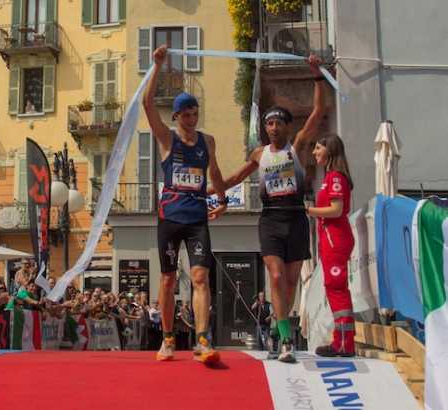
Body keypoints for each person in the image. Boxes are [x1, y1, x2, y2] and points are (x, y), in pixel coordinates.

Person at [209, 55, 326, 363]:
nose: (273, 128)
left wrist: (317, 75)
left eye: (278, 123)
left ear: (287, 126)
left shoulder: (297, 147)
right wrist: (206, 191)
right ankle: (286, 339)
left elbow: (317, 113)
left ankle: (277, 327)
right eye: (269, 123)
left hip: (296, 217)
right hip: (271, 218)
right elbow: (234, 179)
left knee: (291, 282)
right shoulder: (259, 154)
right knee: (275, 277)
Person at [143, 45, 227, 363]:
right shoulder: (167, 138)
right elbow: (147, 103)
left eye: (195, 114)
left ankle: (202, 340)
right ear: (176, 116)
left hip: (197, 219)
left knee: (201, 277)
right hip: (170, 217)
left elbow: (215, 173)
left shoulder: (208, 141)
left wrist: (222, 199)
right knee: (167, 279)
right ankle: (167, 339)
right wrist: (157, 66)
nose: (192, 119)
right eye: (186, 115)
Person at [306, 135, 355, 357]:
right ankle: (341, 340)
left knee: (336, 288)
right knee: (333, 288)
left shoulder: (335, 177)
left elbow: (336, 209)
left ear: (330, 150)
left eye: (318, 148)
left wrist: (309, 210)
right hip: (330, 239)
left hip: (335, 239)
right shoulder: (329, 176)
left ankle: (344, 343)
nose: (314, 152)